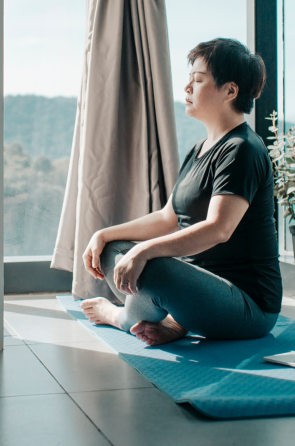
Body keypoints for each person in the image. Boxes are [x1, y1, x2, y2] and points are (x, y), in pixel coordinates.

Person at [79, 38, 283, 346]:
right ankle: (177, 321)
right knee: (111, 248)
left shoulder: (243, 150)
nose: (187, 88)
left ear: (230, 91)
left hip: (248, 306)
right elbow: (168, 217)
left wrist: (143, 250)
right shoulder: (199, 149)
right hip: (201, 291)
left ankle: (119, 316)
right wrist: (105, 234)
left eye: (198, 81)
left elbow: (219, 229)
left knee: (153, 265)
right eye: (189, 80)